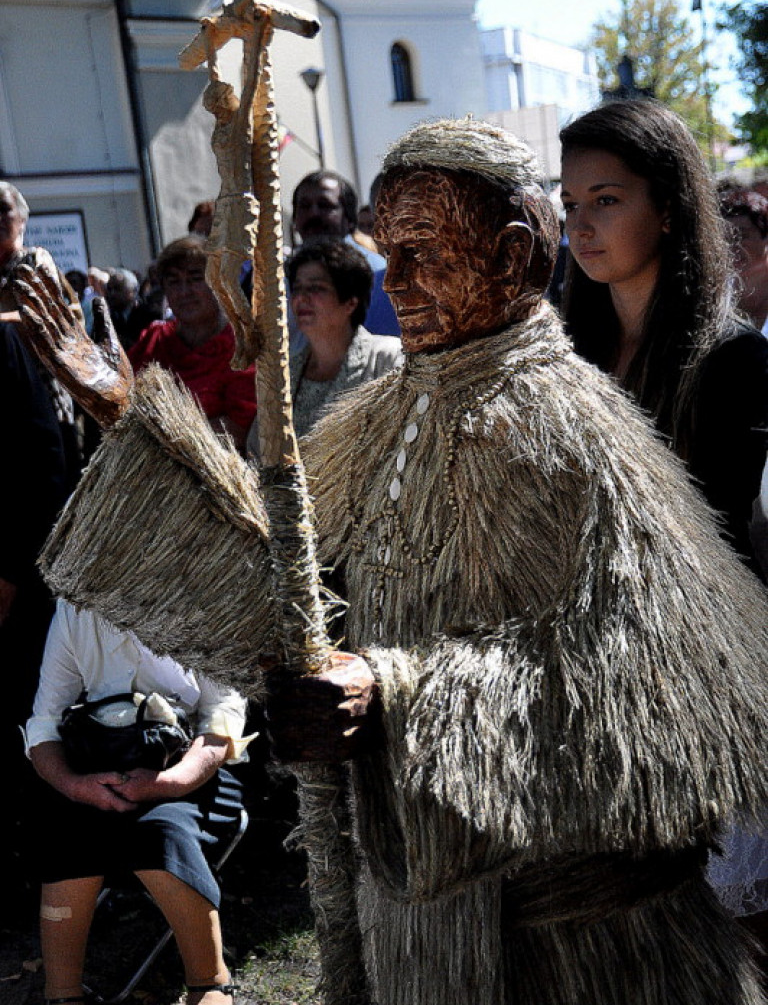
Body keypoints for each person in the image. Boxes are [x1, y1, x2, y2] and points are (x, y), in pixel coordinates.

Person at [19, 118, 768, 1005]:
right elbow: (285, 571)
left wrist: (397, 690)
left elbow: (675, 672)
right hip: (424, 922)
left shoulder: (579, 426)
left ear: (514, 255)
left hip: (577, 939)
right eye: (388, 251)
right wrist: (124, 410)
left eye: (425, 251)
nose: (395, 281)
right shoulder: (388, 416)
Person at [559, 99, 768, 570]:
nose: (580, 226)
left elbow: (712, 529)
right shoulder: (563, 351)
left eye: (605, 200)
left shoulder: (735, 355)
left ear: (668, 208)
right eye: (570, 204)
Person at [26, 599, 248, 1005]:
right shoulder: (75, 607)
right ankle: (62, 994)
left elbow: (223, 714)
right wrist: (75, 785)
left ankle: (210, 982)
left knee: (160, 831)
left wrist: (172, 781)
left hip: (190, 768)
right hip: (100, 768)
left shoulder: (208, 596)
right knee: (67, 827)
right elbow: (45, 720)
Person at [0, 181, 83, 921]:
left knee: (32, 715)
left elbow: (39, 461)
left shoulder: (9, 328)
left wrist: (11, 574)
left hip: (20, 578)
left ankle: (52, 867)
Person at [245, 237, 401, 457]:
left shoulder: (388, 360)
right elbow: (257, 452)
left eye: (316, 288)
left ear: (350, 302)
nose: (301, 298)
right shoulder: (283, 376)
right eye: (297, 289)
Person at [129, 235, 256, 453]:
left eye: (195, 279)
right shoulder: (153, 340)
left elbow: (239, 429)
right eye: (174, 281)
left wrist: (165, 437)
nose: (184, 292)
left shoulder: (241, 347)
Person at [291, 170, 399, 337]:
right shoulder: (278, 276)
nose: (313, 214)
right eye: (304, 206)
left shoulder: (375, 273)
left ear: (349, 219)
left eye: (325, 205)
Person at [719, 186, 768, 333]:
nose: (732, 246)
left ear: (765, 237)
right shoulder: (716, 296)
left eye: (742, 236)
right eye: (724, 239)